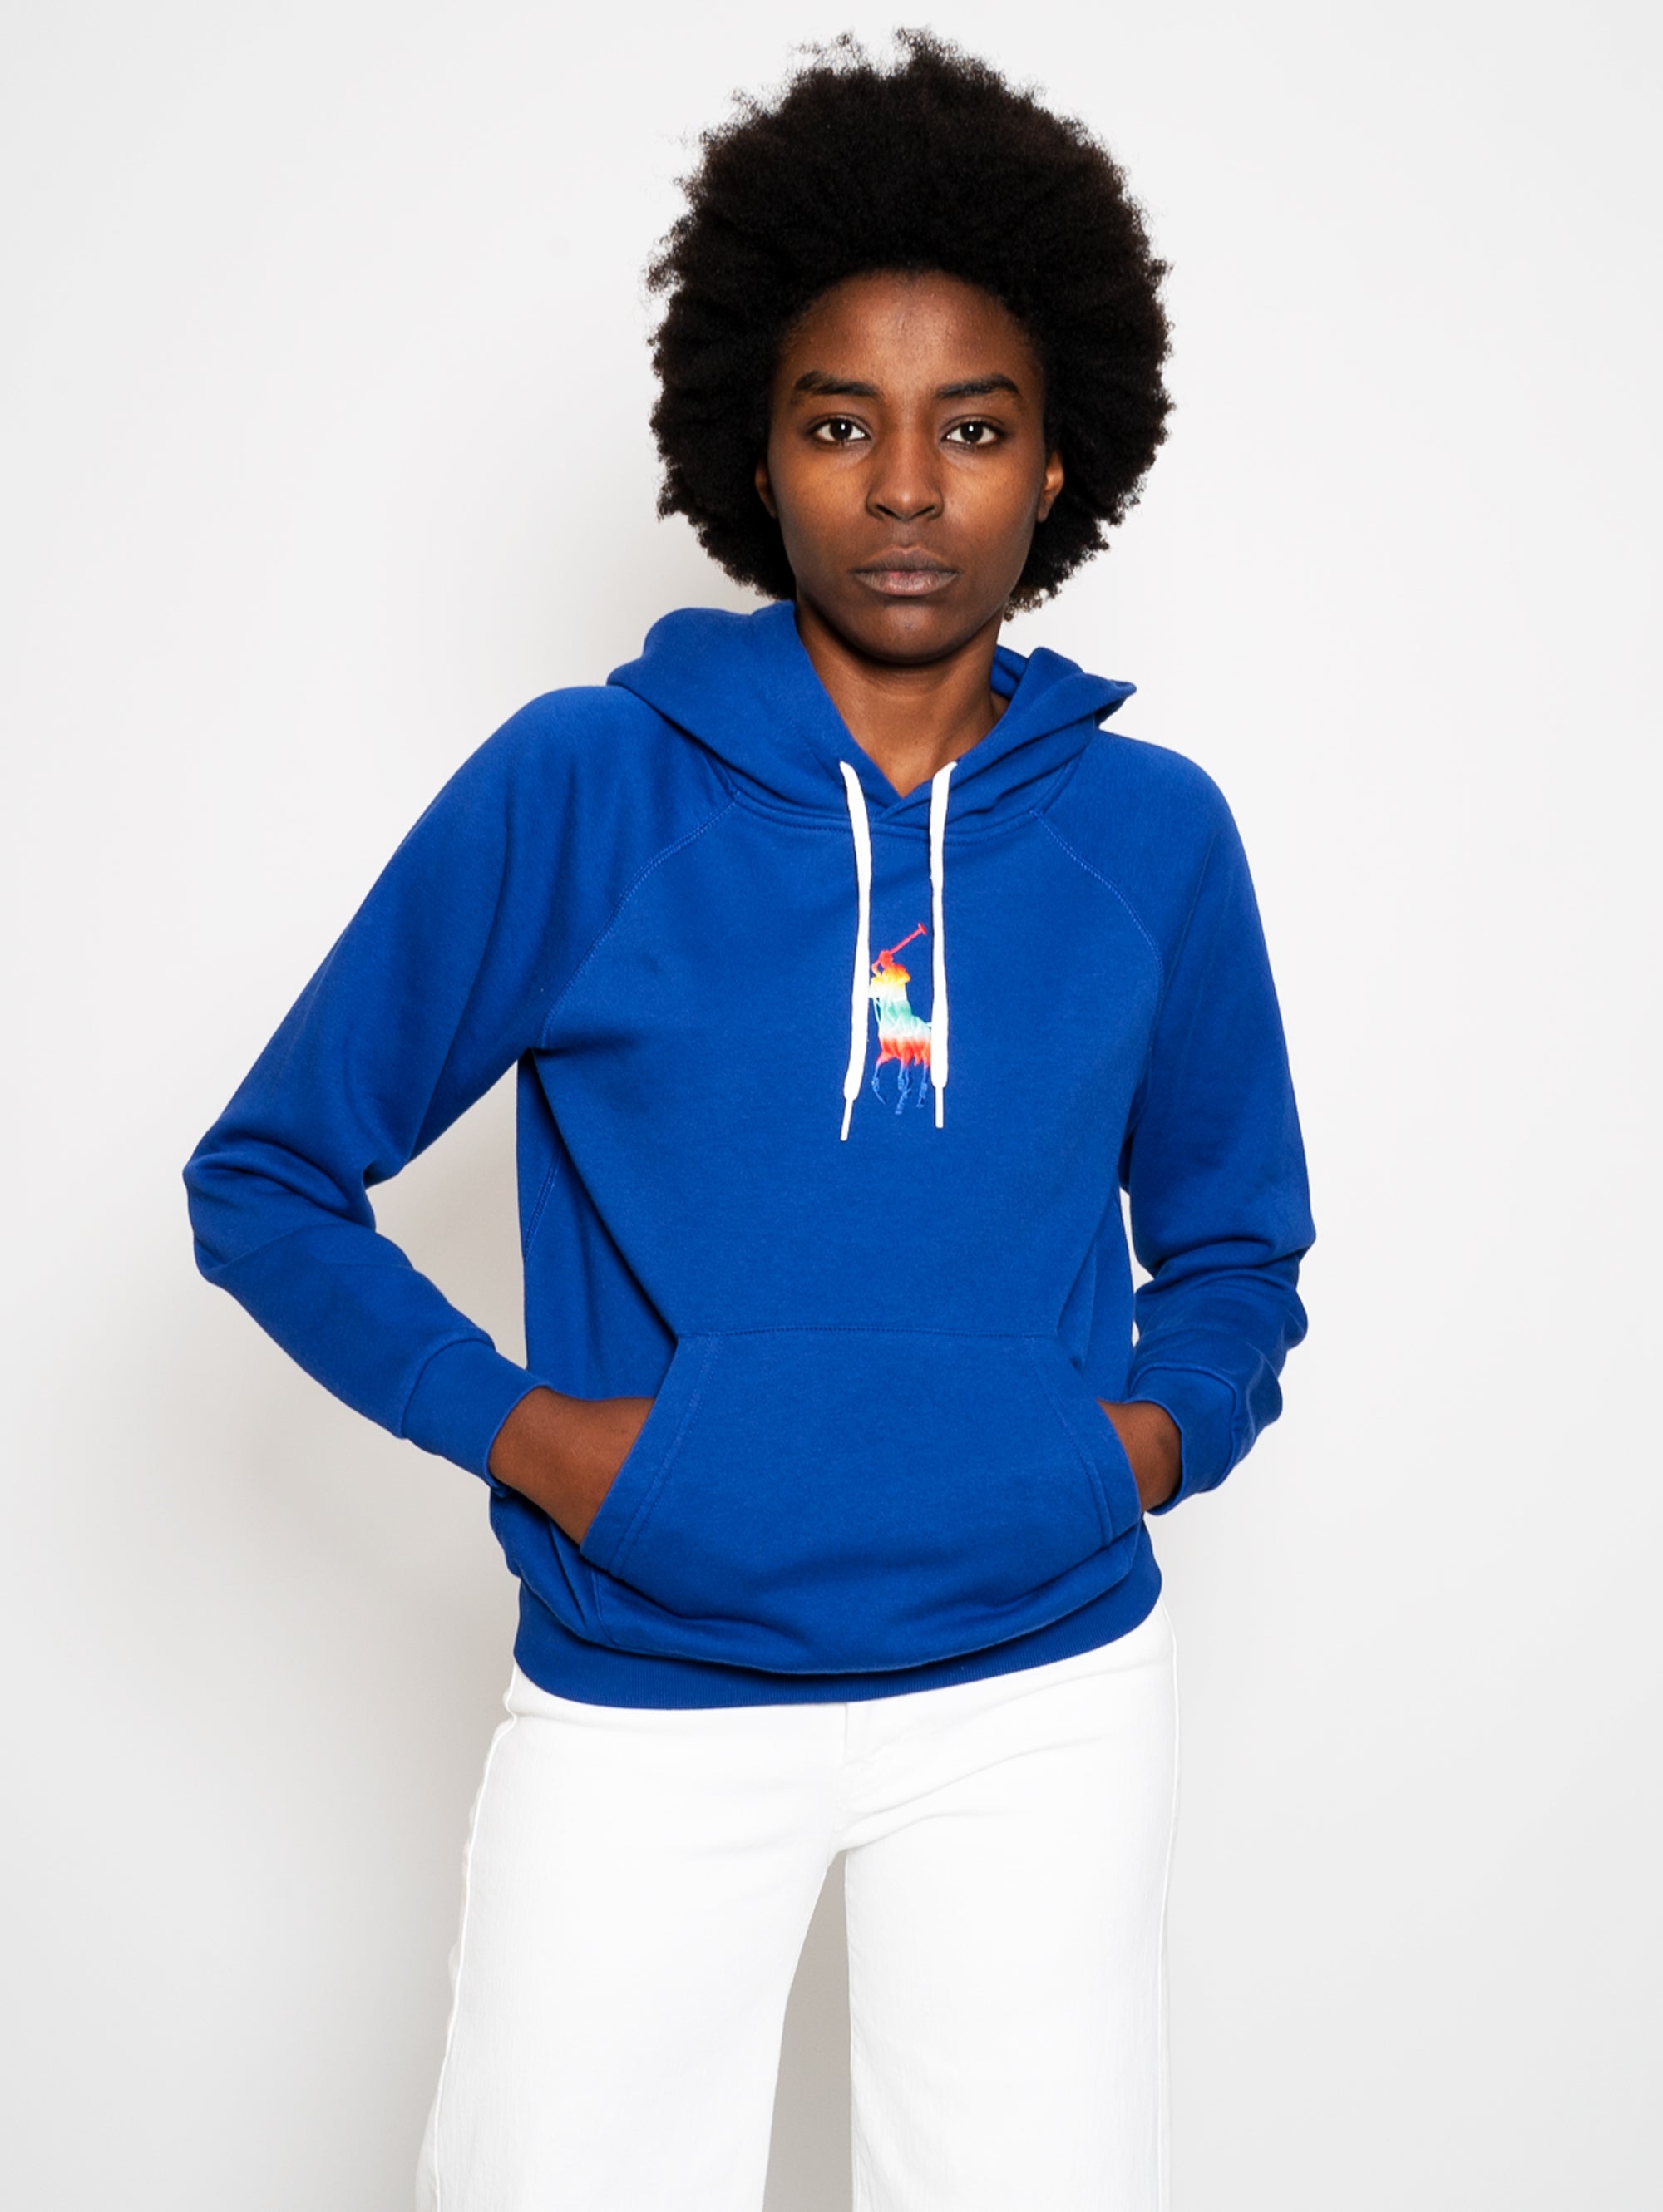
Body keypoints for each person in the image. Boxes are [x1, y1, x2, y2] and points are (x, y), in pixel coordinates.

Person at [183, 32, 1314, 2212]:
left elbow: (1237, 1242)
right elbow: (269, 1178)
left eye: (971, 426)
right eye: (839, 421)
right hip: (651, 1681)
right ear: (754, 453)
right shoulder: (585, 785)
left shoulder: (1152, 836)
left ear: (1057, 463)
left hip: (1043, 1694)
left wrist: (1137, 1447)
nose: (906, 488)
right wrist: (535, 1437)